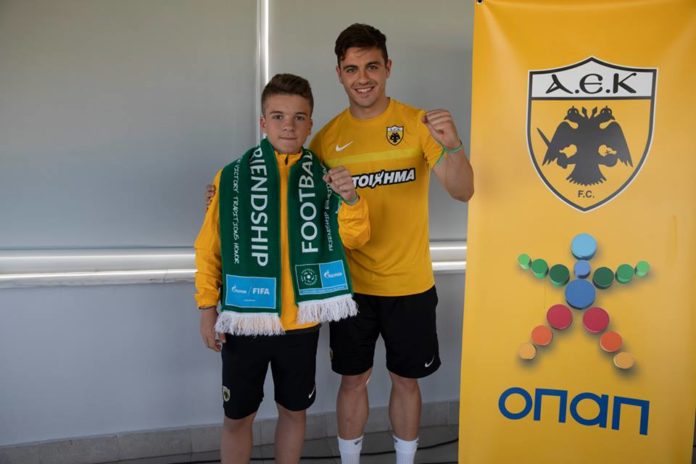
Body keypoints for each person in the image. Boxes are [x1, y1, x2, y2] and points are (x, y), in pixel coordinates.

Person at [308, 24, 474, 464]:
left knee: (406, 381)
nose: (362, 78)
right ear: (339, 74)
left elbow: (463, 191)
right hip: (351, 288)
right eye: (351, 69)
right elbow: (302, 208)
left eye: (371, 67)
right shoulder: (326, 139)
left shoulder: (418, 125)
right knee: (352, 381)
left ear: (388, 67)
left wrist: (454, 146)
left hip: (410, 284)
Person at [195, 73, 370, 464]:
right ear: (263, 122)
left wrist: (352, 199)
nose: (288, 126)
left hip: (301, 323)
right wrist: (207, 308)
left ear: (310, 123)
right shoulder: (231, 177)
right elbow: (209, 249)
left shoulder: (327, 178)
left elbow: (355, 239)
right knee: (237, 417)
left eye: (298, 117)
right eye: (278, 116)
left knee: (294, 412)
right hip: (245, 320)